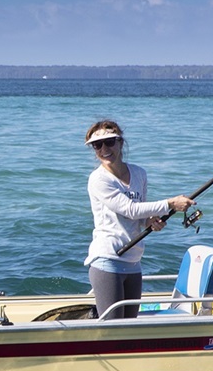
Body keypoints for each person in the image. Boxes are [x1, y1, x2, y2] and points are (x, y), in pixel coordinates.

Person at [83, 120, 194, 320]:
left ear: (120, 142)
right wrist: (170, 203)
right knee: (113, 328)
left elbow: (138, 216)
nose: (104, 149)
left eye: (109, 142)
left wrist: (150, 221)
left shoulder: (139, 173)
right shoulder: (99, 179)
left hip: (134, 261)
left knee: (129, 325)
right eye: (97, 145)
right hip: (108, 260)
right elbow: (130, 209)